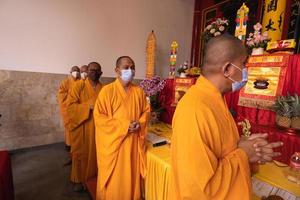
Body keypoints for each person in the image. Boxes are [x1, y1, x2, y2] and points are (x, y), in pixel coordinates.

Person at [169, 34, 283, 200]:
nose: (246, 70)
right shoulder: (194, 108)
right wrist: (243, 153)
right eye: (243, 64)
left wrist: (247, 146)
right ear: (227, 69)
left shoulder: (216, 100)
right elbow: (198, 189)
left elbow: (223, 152)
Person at [94, 56, 150, 200]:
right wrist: (124, 126)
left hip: (133, 145)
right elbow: (100, 118)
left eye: (132, 67)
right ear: (117, 71)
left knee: (131, 178)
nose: (130, 70)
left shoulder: (139, 92)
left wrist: (140, 122)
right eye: (126, 67)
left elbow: (146, 111)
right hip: (115, 147)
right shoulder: (107, 91)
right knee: (116, 183)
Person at [67, 62, 103, 191]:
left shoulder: (104, 89)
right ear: (87, 72)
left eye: (97, 70)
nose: (94, 72)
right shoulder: (78, 86)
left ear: (101, 73)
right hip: (83, 127)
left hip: (99, 128)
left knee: (96, 153)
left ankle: (93, 177)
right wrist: (87, 106)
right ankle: (79, 179)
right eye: (92, 70)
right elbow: (70, 108)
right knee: (82, 154)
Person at [57, 66, 80, 152]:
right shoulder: (65, 82)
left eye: (78, 71)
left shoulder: (81, 82)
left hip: (78, 110)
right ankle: (69, 145)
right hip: (68, 109)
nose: (76, 72)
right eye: (74, 70)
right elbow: (61, 95)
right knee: (69, 129)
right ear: (70, 72)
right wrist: (71, 96)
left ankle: (77, 146)